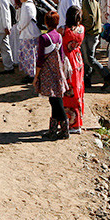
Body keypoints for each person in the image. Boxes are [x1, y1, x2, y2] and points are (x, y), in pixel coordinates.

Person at [35, 11, 70, 140]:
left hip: (47, 72)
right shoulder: (59, 37)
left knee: (55, 101)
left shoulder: (44, 38)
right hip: (57, 72)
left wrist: (36, 76)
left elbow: (40, 59)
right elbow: (61, 56)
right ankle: (55, 130)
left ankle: (62, 130)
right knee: (55, 100)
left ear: (46, 23)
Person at [77, 0, 106, 85]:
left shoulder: (87, 0)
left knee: (89, 59)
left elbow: (90, 18)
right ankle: (87, 80)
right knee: (87, 58)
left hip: (90, 33)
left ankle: (106, 76)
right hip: (93, 32)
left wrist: (83, 29)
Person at [61, 7, 86, 133]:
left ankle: (72, 124)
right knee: (78, 90)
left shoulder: (65, 31)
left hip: (68, 63)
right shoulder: (82, 29)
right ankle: (78, 121)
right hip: (78, 60)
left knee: (68, 92)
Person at [14, 0, 40, 81]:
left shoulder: (27, 6)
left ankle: (32, 74)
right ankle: (31, 73)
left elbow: (25, 20)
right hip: (29, 32)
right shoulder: (29, 5)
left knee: (30, 55)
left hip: (29, 33)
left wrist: (19, 27)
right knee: (31, 54)